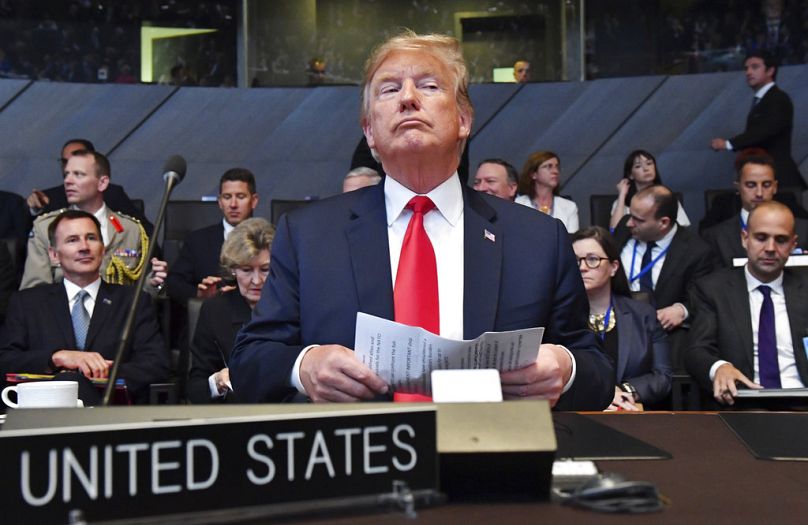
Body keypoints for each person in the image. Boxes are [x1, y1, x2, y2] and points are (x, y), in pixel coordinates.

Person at [229, 31, 613, 410]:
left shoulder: (538, 239)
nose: (408, 98)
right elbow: (250, 360)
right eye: (389, 89)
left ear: (464, 119)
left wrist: (565, 367)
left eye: (428, 86)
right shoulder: (309, 235)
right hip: (357, 461)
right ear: (369, 132)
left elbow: (597, 370)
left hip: (492, 460)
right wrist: (304, 366)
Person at [0, 210, 169, 404]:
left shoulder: (133, 301)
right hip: (44, 414)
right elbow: (6, 360)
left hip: (111, 414)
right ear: (54, 255)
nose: (84, 247)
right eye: (72, 240)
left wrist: (101, 370)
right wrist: (56, 358)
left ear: (103, 249)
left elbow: (156, 365)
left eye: (91, 238)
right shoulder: (26, 303)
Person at [685, 201, 808, 406]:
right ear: (745, 238)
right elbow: (696, 350)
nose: (770, 248)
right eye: (761, 238)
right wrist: (720, 367)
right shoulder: (714, 290)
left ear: (793, 244)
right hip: (743, 405)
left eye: (781, 240)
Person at [20, 149, 166, 292]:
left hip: (117, 314)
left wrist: (152, 284)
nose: (68, 181)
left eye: (78, 174)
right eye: (66, 174)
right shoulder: (45, 227)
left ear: (102, 183)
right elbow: (32, 293)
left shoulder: (130, 229)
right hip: (60, 313)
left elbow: (140, 297)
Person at [612, 185, 715, 367]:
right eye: (630, 215)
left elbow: (705, 297)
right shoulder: (624, 228)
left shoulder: (696, 251)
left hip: (663, 335)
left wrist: (682, 310)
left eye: (638, 220)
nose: (629, 223)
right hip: (616, 327)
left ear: (663, 223)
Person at [571, 227, 672, 411]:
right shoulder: (559, 317)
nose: (583, 267)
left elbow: (662, 377)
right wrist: (601, 394)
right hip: (579, 413)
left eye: (592, 259)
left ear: (613, 267)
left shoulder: (643, 314)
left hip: (630, 411)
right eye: (576, 261)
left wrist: (623, 391)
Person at [187, 218, 275, 403]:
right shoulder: (215, 310)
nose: (257, 280)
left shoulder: (293, 306)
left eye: (265, 269)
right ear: (233, 270)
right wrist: (217, 381)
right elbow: (195, 388)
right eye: (246, 270)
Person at [710, 51, 805, 190]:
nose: (748, 72)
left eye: (754, 67)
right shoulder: (763, 99)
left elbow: (763, 132)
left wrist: (728, 143)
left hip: (777, 177)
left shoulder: (778, 99)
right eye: (746, 68)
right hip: (765, 176)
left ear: (770, 70)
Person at [165, 168, 259, 303]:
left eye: (240, 196)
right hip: (212, 316)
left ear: (254, 200)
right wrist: (199, 293)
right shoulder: (198, 241)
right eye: (227, 197)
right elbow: (174, 282)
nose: (233, 204)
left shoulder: (270, 240)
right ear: (220, 202)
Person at [702, 151, 808, 268]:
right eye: (751, 185)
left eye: (766, 185)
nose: (759, 193)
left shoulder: (804, 230)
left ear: (775, 187)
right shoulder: (716, 237)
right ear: (738, 187)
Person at [26, 138, 152, 231]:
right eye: (65, 162)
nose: (70, 166)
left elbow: (143, 232)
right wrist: (36, 209)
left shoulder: (112, 194)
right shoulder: (48, 199)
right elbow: (30, 238)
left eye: (77, 158)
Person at [609, 150, 690, 230]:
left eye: (649, 163)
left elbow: (682, 226)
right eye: (638, 166)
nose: (646, 168)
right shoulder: (621, 202)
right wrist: (622, 194)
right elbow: (614, 231)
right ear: (630, 175)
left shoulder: (667, 198)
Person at [514, 151, 579, 233]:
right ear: (533, 174)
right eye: (549, 167)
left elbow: (572, 241)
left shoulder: (569, 206)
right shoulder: (517, 204)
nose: (555, 171)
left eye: (557, 167)